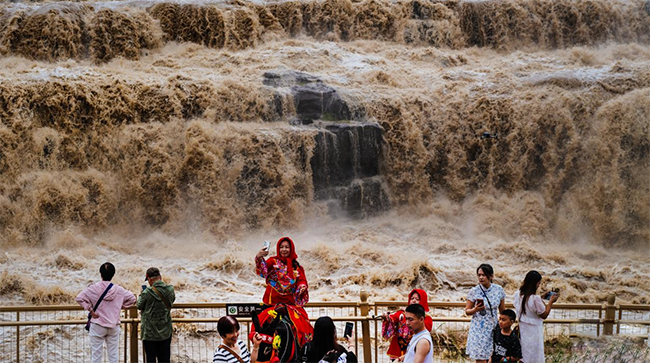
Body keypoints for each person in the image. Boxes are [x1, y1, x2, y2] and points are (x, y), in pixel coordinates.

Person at [76, 262, 136, 363]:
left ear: (101, 274)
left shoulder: (93, 288)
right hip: (113, 325)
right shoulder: (119, 290)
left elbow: (79, 298)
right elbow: (132, 298)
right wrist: (119, 307)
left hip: (98, 324)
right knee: (113, 356)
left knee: (96, 356)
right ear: (113, 274)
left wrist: (90, 310)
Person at [513, 270, 559, 363]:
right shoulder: (535, 299)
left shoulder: (518, 294)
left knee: (524, 354)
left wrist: (541, 297)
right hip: (534, 332)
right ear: (535, 283)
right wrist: (551, 302)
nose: (539, 285)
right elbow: (544, 314)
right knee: (534, 356)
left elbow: (528, 303)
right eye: (539, 283)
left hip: (523, 330)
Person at [464, 264, 506, 363]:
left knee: (494, 358)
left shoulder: (498, 290)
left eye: (484, 275)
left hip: (493, 328)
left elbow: (502, 311)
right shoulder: (474, 291)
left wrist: (504, 326)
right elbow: (467, 311)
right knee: (481, 359)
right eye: (479, 275)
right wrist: (475, 309)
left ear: (491, 276)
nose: (481, 277)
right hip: (479, 329)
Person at [255, 237, 309, 307]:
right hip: (272, 302)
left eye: (287, 247)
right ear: (278, 249)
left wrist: (302, 286)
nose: (284, 249)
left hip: (290, 303)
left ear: (291, 249)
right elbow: (263, 271)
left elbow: (301, 280)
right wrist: (259, 257)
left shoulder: (296, 266)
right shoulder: (272, 261)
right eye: (281, 247)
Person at [381, 289, 433, 360]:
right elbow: (393, 318)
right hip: (398, 348)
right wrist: (387, 318)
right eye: (412, 298)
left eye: (417, 299)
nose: (414, 301)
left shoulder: (426, 320)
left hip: (416, 349)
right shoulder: (402, 313)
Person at [138, 267, 176, 363]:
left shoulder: (146, 292)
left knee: (151, 359)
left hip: (149, 333)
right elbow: (172, 301)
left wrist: (141, 294)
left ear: (149, 279)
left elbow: (139, 305)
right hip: (165, 331)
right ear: (160, 277)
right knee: (164, 359)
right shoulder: (170, 290)